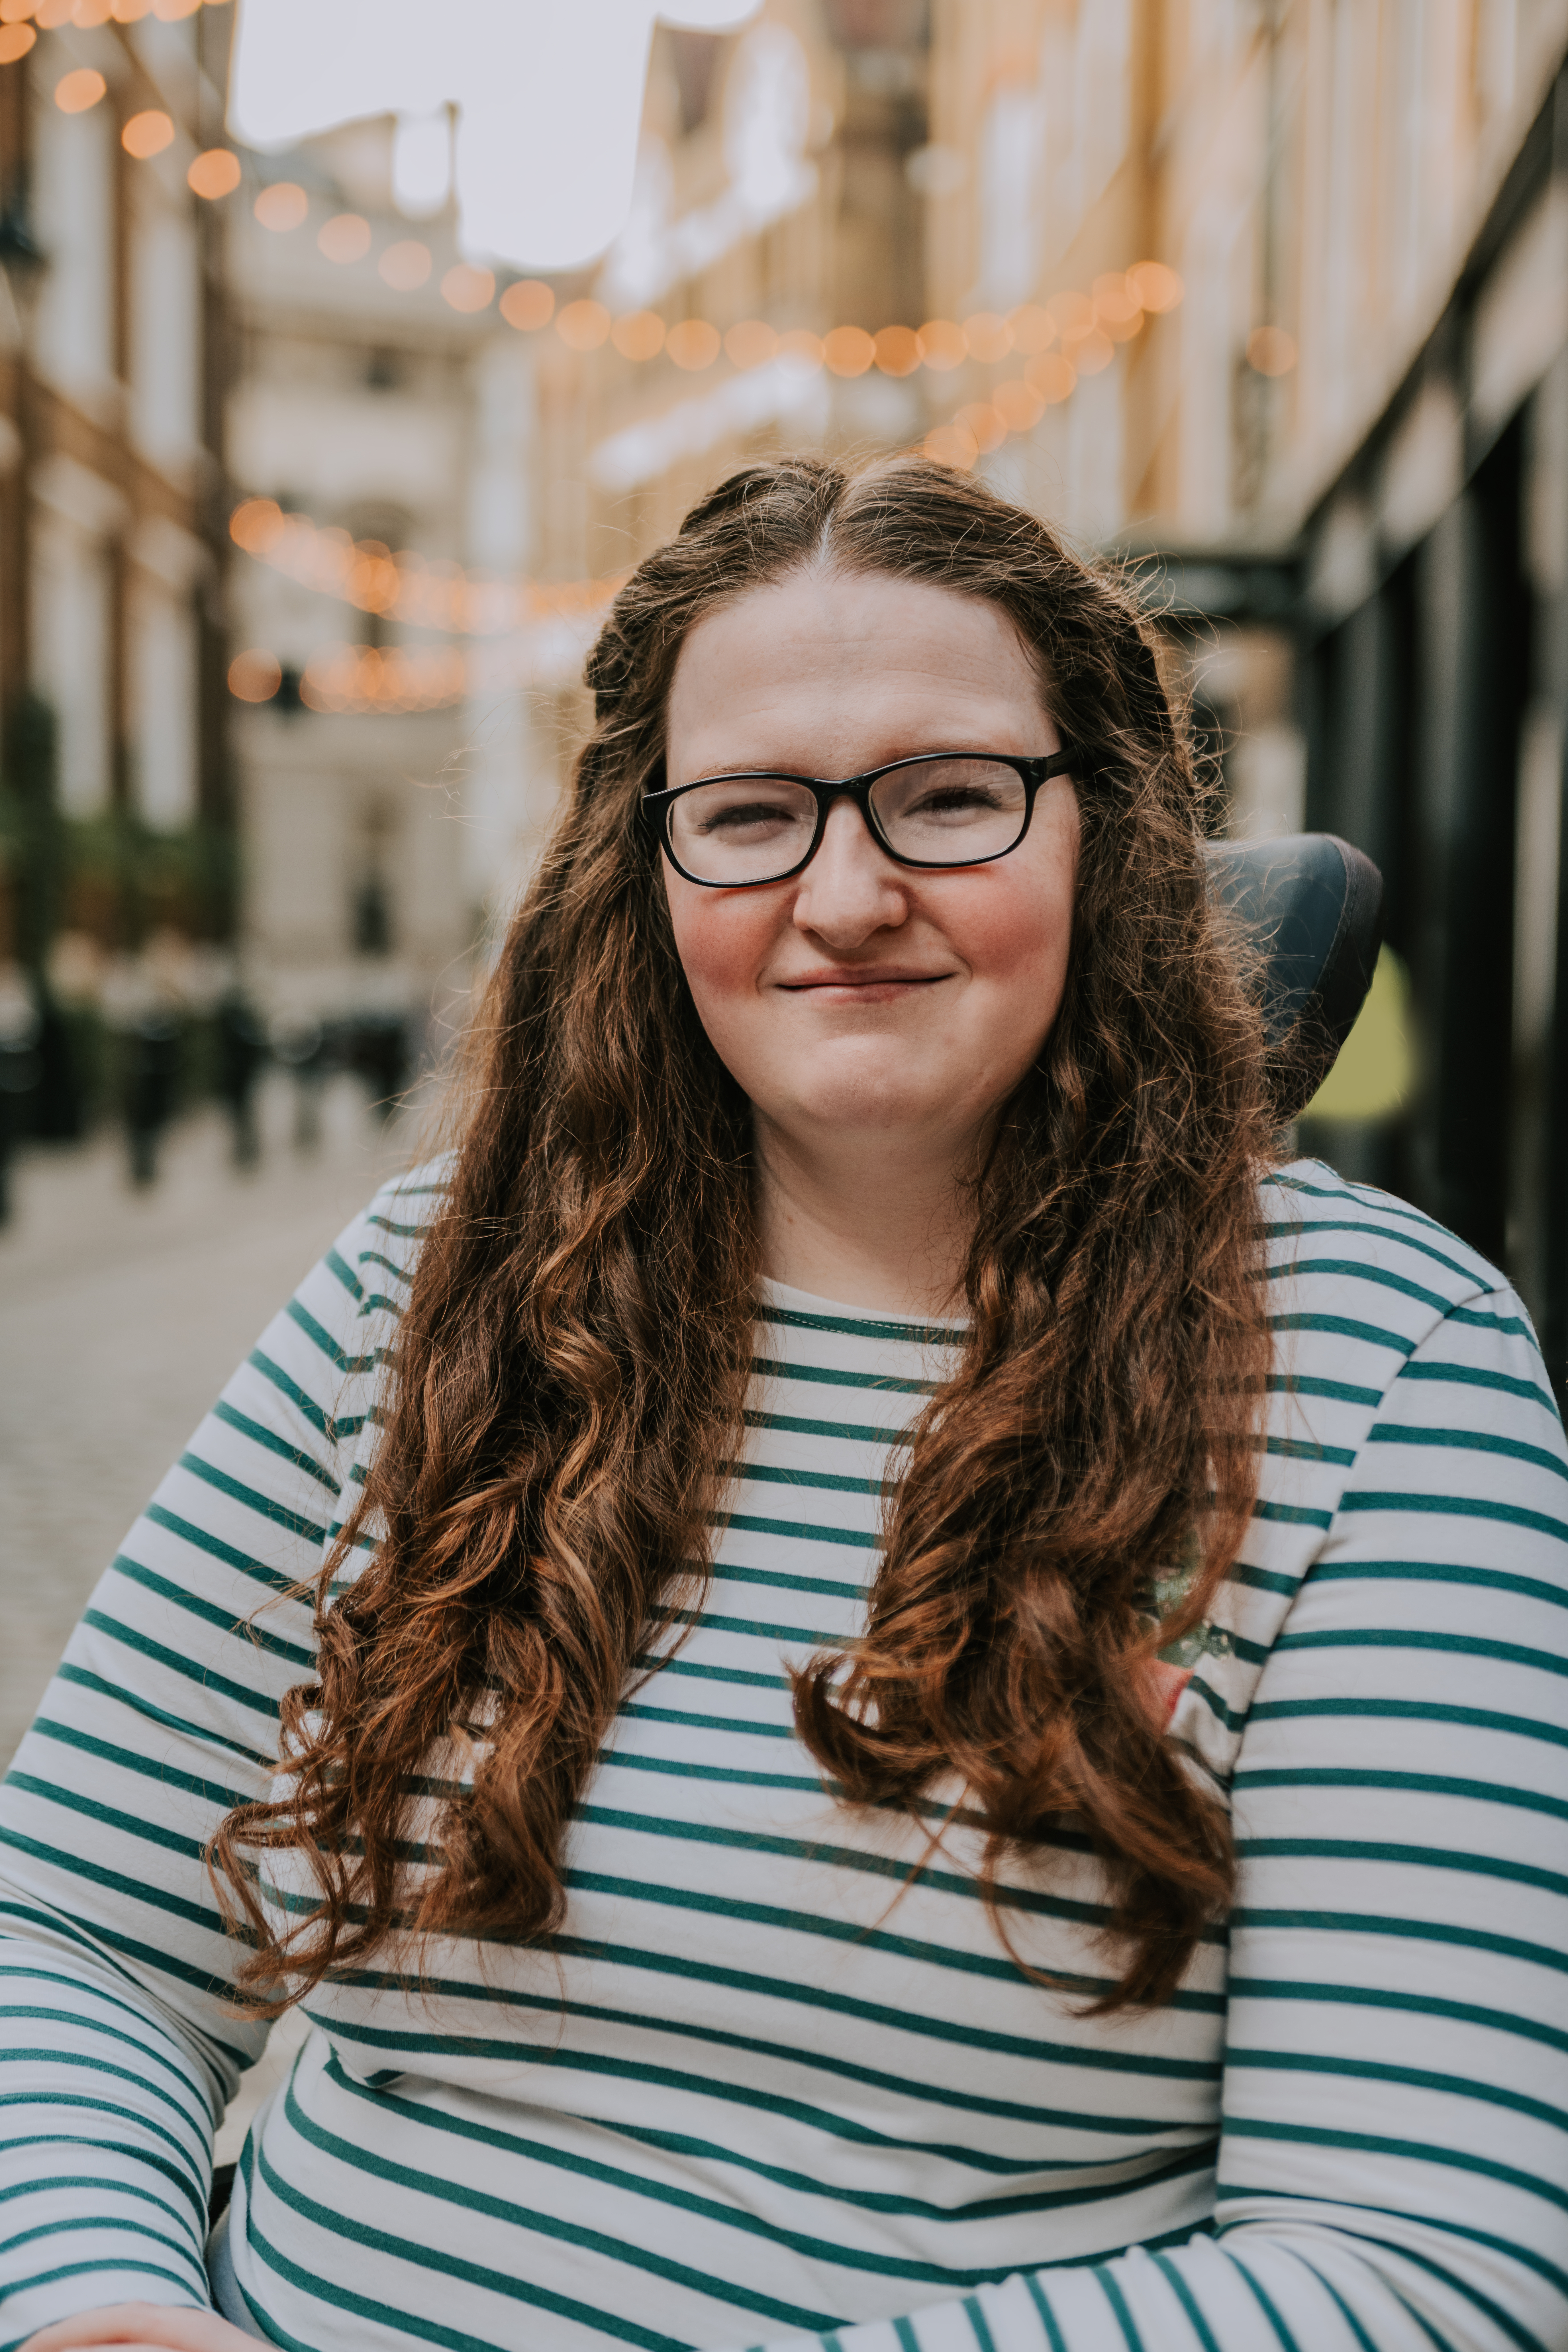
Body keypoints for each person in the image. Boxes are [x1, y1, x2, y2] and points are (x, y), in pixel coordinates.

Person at [2, 458, 1564, 2352]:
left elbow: (1418, 2263)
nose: (846, 893)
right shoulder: (440, 1283)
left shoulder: (1382, 1375)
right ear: (645, 872)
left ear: (1111, 835)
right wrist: (97, 2309)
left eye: (950, 799)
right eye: (749, 815)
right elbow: (75, 1939)